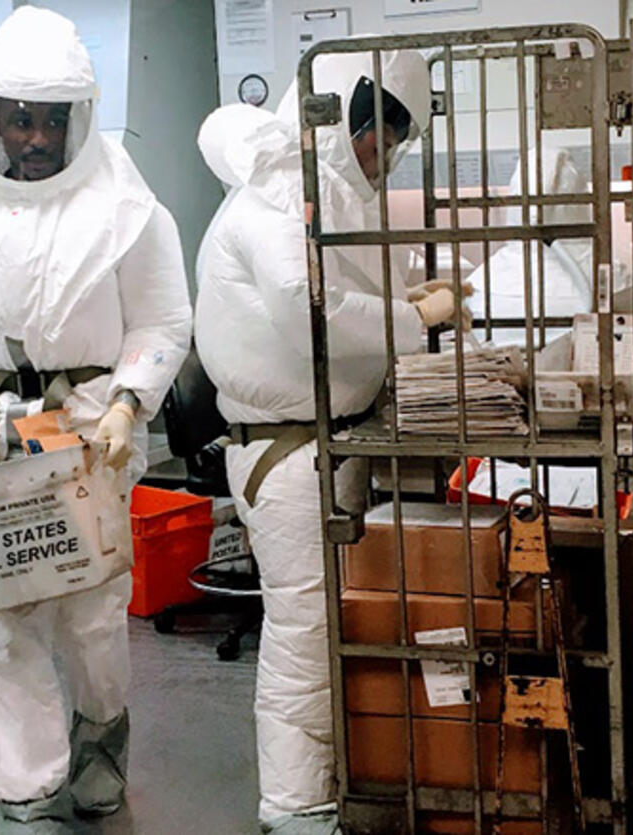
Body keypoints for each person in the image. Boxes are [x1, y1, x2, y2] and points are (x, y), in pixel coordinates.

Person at [0, 7, 191, 833]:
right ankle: (23, 793)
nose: (35, 139)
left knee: (90, 614)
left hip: (91, 428)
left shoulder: (127, 205)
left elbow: (163, 320)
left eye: (52, 121)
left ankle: (100, 744)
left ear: (78, 119)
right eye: (19, 119)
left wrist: (128, 402)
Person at [194, 46, 462, 833]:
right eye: (382, 134)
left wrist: (408, 298)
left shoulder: (325, 194)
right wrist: (415, 320)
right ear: (347, 116)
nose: (385, 153)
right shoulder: (278, 196)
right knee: (304, 637)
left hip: (325, 447)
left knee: (325, 631)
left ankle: (329, 786)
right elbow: (310, 311)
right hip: (287, 457)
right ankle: (295, 809)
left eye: (397, 140)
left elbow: (345, 288)